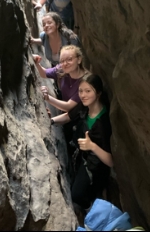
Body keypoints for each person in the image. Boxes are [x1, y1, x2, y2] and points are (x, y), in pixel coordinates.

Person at [50, 73, 113, 213]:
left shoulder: (103, 124)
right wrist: (52, 120)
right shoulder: (85, 106)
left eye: (88, 91)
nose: (83, 95)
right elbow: (68, 116)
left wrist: (92, 146)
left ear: (98, 93)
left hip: (95, 165)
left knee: (77, 195)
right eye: (81, 91)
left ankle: (91, 210)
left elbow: (110, 161)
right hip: (82, 156)